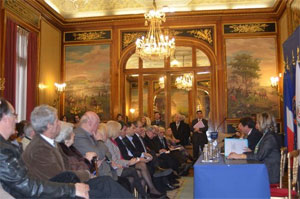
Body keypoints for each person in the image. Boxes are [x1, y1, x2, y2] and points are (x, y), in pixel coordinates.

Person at [22, 105, 132, 198]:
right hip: (58, 192)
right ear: (49, 125)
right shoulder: (39, 148)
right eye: (57, 121)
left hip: (67, 185)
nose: (60, 124)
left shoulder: (51, 143)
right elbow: (58, 178)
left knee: (106, 182)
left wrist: (86, 174)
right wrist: (86, 175)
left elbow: (67, 167)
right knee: (104, 192)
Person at [0, 98, 89, 199]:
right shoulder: (3, 150)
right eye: (14, 115)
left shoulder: (5, 147)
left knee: (103, 185)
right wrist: (72, 189)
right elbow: (26, 185)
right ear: (4, 117)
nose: (16, 120)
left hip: (40, 190)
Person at [228, 113, 280, 184]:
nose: (255, 126)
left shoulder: (270, 138)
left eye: (257, 123)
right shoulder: (266, 135)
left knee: (241, 178)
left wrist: (239, 156)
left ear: (263, 124)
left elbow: (259, 156)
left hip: (269, 174)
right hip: (265, 169)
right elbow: (260, 152)